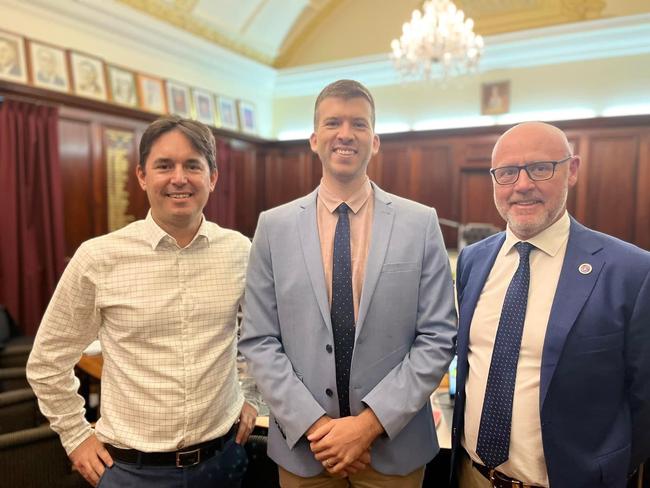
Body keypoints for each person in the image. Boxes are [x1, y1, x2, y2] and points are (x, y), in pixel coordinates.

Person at [239, 79, 457, 487]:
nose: (345, 134)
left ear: (375, 141)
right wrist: (318, 427)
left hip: (394, 448)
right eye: (333, 123)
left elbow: (438, 336)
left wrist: (367, 426)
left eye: (358, 124)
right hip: (306, 448)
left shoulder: (420, 222)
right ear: (313, 138)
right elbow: (259, 340)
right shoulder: (273, 227)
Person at [27, 116, 259, 488]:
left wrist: (250, 397)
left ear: (212, 177)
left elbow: (260, 340)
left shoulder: (240, 251)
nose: (178, 178)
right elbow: (46, 363)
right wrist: (76, 437)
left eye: (193, 166)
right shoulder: (99, 258)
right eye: (164, 165)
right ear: (142, 176)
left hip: (224, 460)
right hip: (131, 472)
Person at [451, 121, 650, 488]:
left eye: (541, 168)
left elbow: (644, 401)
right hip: (471, 476)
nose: (522, 185)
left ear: (571, 170)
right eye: (508, 172)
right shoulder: (472, 261)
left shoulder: (632, 272)